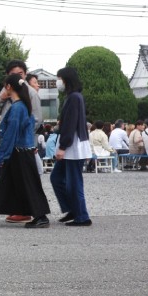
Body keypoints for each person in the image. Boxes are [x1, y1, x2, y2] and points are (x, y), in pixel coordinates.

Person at [0, 74, 51, 228]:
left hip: (17, 152)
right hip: (22, 151)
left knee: (25, 184)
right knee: (7, 184)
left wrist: (3, 156)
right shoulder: (23, 105)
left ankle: (40, 216)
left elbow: (11, 134)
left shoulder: (17, 108)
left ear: (9, 87)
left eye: (5, 86)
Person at [50, 67, 92, 226]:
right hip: (73, 143)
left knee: (73, 181)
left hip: (72, 144)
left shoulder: (73, 98)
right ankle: (73, 209)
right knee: (57, 178)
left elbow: (69, 124)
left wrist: (62, 146)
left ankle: (82, 215)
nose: (58, 82)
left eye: (59, 78)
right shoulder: (75, 96)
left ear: (65, 79)